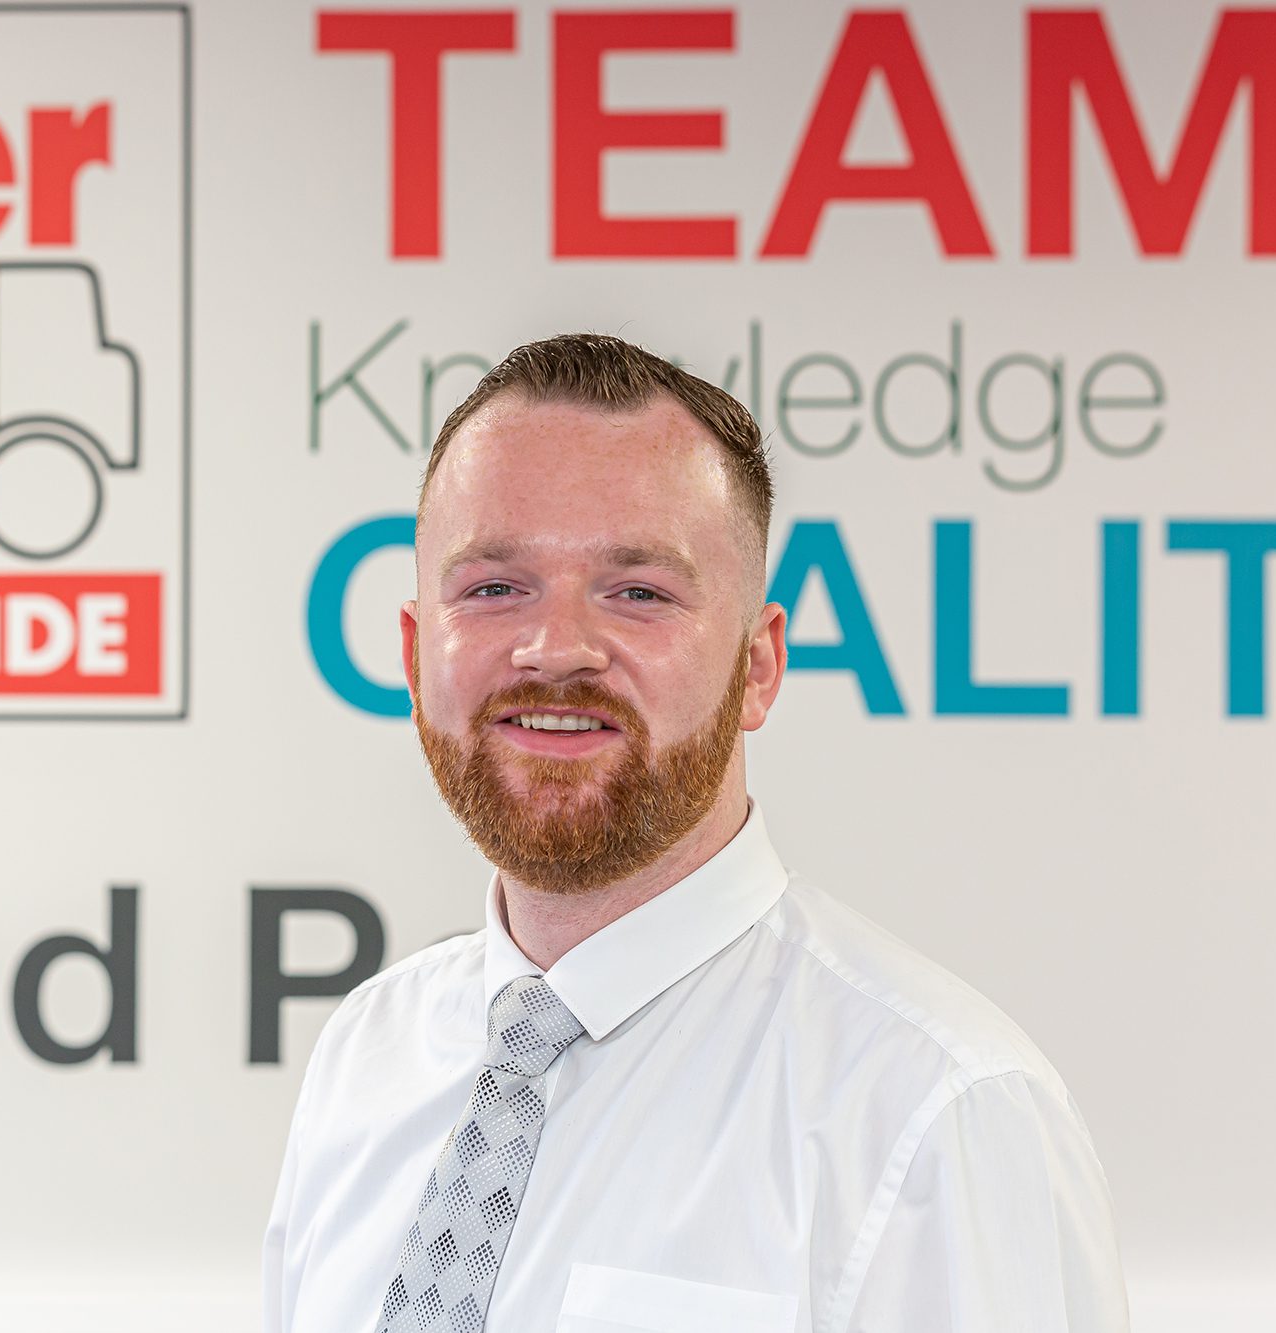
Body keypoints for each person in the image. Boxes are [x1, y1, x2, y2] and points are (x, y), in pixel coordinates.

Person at [260, 334, 1128, 1333]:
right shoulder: (366, 1056)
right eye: (494, 587)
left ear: (758, 667)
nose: (554, 649)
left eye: (638, 592)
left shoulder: (932, 1113)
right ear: (416, 655)